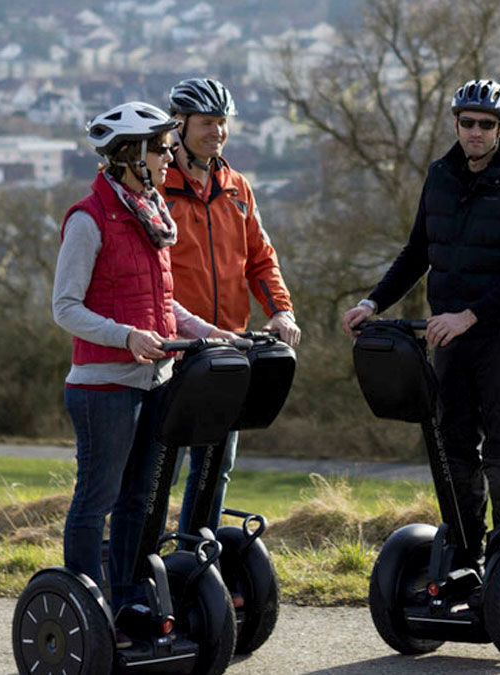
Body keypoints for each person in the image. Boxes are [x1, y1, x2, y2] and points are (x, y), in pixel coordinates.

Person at [340, 79, 500, 566]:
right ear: (455, 123)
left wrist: (469, 316)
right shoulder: (440, 175)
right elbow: (418, 252)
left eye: (486, 125)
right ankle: (463, 549)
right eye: (467, 122)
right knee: (451, 441)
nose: (475, 132)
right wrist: (373, 303)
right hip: (448, 337)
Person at [51, 101, 235, 639]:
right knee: (97, 500)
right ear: (130, 155)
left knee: (140, 500)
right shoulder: (88, 219)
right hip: (103, 388)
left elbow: (164, 306)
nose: (168, 153)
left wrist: (209, 332)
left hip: (155, 381)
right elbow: (66, 308)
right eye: (159, 147)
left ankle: (128, 599)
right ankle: (84, 610)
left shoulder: (153, 215)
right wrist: (126, 337)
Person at [162, 77, 300, 535]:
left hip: (229, 351)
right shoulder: (159, 187)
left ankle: (192, 556)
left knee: (215, 465)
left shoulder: (237, 187)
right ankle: (140, 562)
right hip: (173, 351)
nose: (217, 131)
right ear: (178, 125)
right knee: (159, 468)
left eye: (222, 122)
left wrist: (281, 311)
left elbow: (260, 259)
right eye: (207, 123)